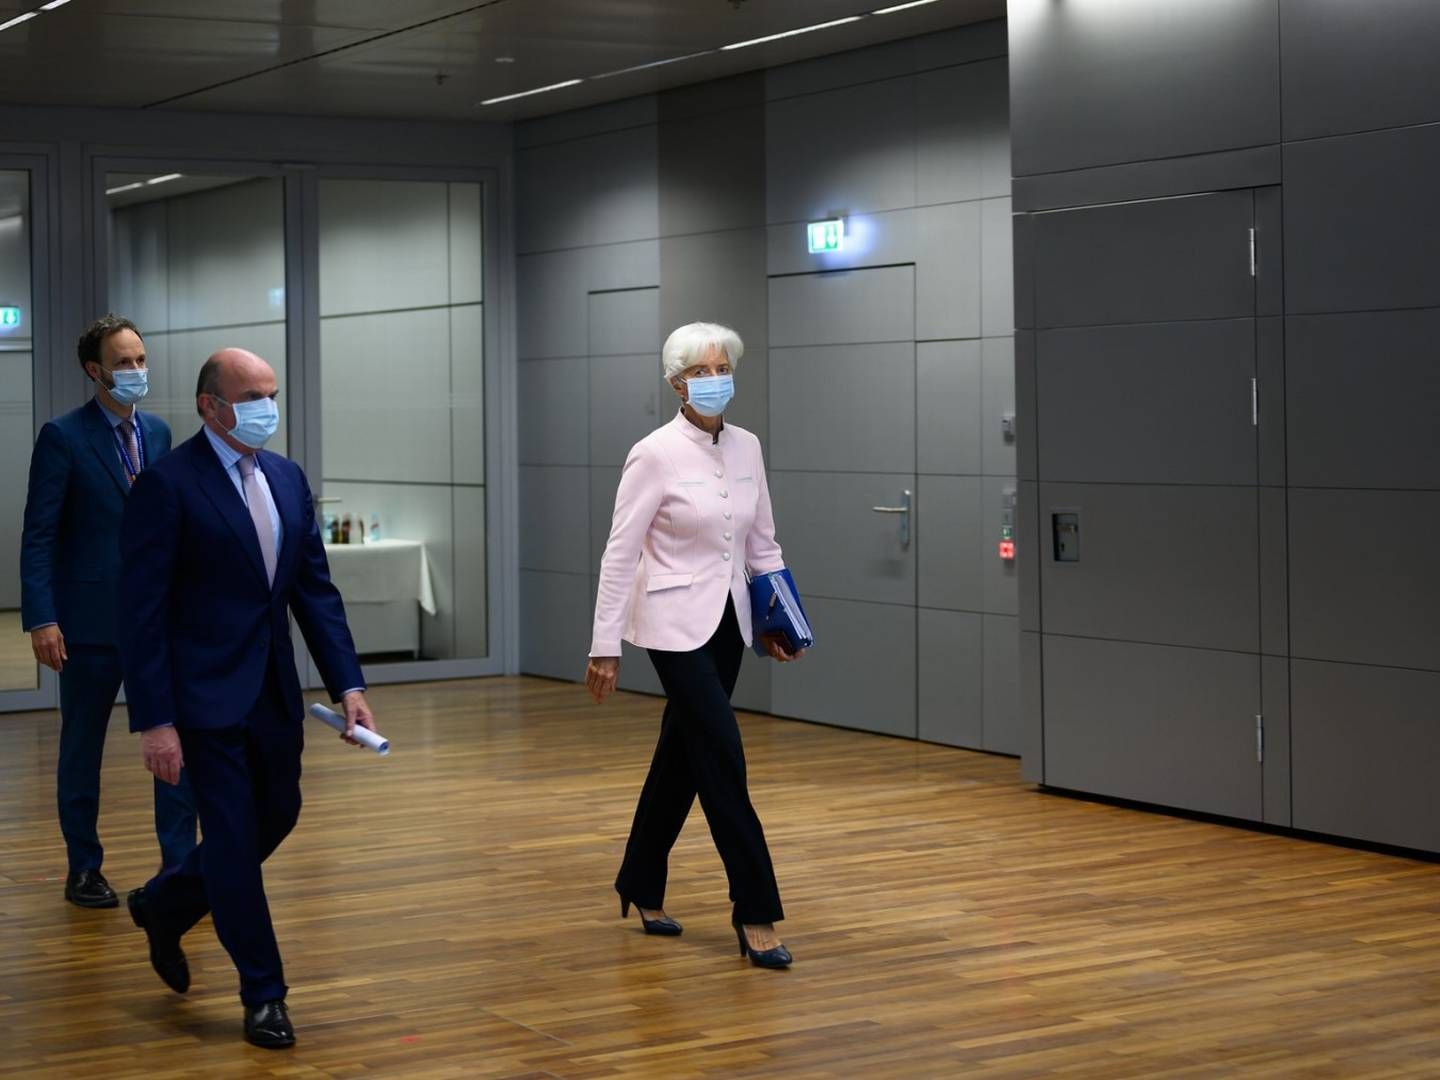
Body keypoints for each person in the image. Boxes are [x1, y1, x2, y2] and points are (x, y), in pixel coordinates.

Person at [118, 347, 376, 1050]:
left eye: (271, 392)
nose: (267, 406)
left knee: (279, 814)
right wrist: (155, 721)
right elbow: (140, 613)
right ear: (209, 406)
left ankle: (165, 902)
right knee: (232, 841)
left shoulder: (288, 481)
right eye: (251, 395)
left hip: (272, 694)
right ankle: (264, 993)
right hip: (200, 700)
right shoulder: (168, 486)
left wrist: (348, 684)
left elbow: (314, 592)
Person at [585, 321, 805, 970]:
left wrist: (779, 619)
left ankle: (640, 883)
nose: (716, 380)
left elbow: (763, 543)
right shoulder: (652, 453)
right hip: (672, 628)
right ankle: (756, 912)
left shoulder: (748, 448)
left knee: (682, 756)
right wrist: (605, 645)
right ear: (677, 382)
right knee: (722, 756)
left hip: (731, 625)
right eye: (702, 371)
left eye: (722, 368)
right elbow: (620, 554)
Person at [19, 314, 197, 909]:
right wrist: (42, 617)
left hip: (158, 621)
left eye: (141, 360)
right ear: (94, 370)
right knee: (82, 748)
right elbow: (39, 534)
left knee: (172, 746)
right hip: (89, 623)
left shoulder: (163, 433)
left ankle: (178, 870)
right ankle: (83, 868)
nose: (136, 371)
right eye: (124, 362)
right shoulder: (63, 436)